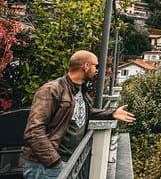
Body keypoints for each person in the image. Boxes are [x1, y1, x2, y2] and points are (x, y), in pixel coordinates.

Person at [21, 50, 136, 178]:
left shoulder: (79, 90)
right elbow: (33, 131)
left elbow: (83, 112)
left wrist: (112, 113)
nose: (97, 70)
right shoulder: (51, 90)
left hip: (66, 163)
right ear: (86, 66)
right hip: (44, 166)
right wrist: (55, 162)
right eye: (95, 66)